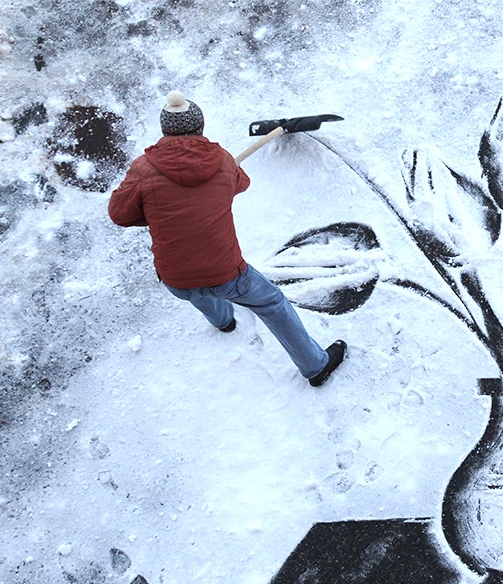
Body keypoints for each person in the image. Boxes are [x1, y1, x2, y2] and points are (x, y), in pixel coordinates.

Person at [108, 90, 346, 387]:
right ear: (200, 127)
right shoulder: (221, 161)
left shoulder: (144, 169)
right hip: (228, 274)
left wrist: (158, 211)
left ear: (165, 130)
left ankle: (224, 322)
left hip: (175, 279)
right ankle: (316, 366)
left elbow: (120, 213)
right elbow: (241, 184)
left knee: (194, 284)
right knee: (272, 303)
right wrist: (216, 182)